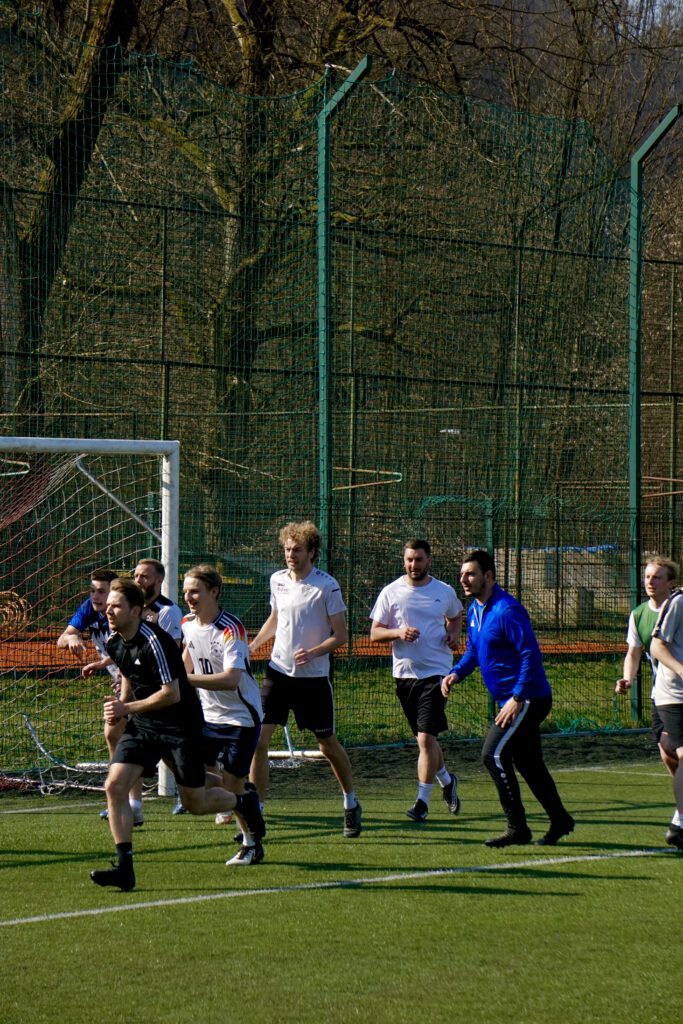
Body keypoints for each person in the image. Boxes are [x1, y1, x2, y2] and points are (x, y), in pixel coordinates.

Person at [90, 578, 265, 891]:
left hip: (179, 728)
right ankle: (124, 868)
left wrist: (126, 708)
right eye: (108, 606)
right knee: (114, 786)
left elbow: (171, 694)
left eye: (116, 606)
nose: (108, 611)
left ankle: (243, 801)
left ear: (135, 610)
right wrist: (123, 705)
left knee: (194, 802)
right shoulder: (114, 640)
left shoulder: (154, 641)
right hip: (143, 726)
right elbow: (128, 672)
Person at [442, 549, 574, 848]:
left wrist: (517, 696)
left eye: (470, 574)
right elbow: (474, 651)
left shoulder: (507, 610)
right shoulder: (475, 610)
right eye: (462, 574)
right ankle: (560, 819)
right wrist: (456, 674)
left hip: (527, 698)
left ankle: (518, 828)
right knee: (529, 764)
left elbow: (530, 654)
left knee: (493, 755)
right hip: (514, 699)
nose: (463, 579)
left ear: (488, 576)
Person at [248, 520, 362, 838]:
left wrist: (313, 652)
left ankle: (351, 802)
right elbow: (275, 619)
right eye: (287, 549)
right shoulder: (277, 580)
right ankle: (256, 810)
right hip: (277, 674)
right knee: (259, 741)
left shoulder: (327, 586)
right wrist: (253, 646)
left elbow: (341, 635)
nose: (290, 555)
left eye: (297, 550)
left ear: (312, 552)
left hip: (313, 680)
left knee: (327, 745)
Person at [369, 539, 463, 822]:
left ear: (429, 561)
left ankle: (422, 802)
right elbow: (375, 632)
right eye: (409, 559)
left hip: (437, 673)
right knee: (426, 741)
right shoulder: (391, 592)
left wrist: (453, 634)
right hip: (404, 675)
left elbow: (455, 616)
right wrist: (398, 633)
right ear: (404, 561)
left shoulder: (444, 591)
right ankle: (447, 781)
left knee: (425, 739)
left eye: (419, 559)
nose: (413, 564)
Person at [182, 565, 265, 866]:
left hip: (241, 718)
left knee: (231, 788)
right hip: (208, 717)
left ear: (214, 592)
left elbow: (231, 679)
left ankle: (251, 845)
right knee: (197, 776)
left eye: (195, 591)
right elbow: (186, 662)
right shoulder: (187, 624)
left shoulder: (232, 628)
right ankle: (247, 797)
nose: (189, 597)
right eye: (186, 591)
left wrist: (184, 681)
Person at [57, 570, 145, 826]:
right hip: (123, 681)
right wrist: (73, 637)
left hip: (141, 681)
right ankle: (131, 803)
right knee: (121, 737)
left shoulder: (124, 615)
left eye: (102, 591)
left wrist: (108, 670)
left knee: (128, 738)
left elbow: (129, 652)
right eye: (92, 590)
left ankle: (130, 801)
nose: (95, 596)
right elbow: (63, 638)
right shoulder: (90, 608)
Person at [615, 556, 681, 845]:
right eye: (647, 577)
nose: (650, 582)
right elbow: (634, 651)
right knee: (668, 753)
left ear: (671, 583)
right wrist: (627, 678)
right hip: (663, 694)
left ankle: (679, 817)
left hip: (675, 694)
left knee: (677, 752)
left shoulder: (677, 607)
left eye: (657, 577)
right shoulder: (640, 614)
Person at [133, 557, 186, 815]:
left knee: (169, 751)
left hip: (163, 691)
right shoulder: (132, 609)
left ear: (159, 579)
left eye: (144, 576)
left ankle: (191, 789)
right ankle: (130, 803)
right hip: (138, 689)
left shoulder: (167, 611)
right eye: (136, 576)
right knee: (125, 741)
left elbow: (171, 655)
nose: (138, 580)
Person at [646, 581, 683, 852]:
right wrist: (681, 670)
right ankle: (679, 825)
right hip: (674, 695)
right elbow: (657, 647)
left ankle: (679, 821)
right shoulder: (679, 602)